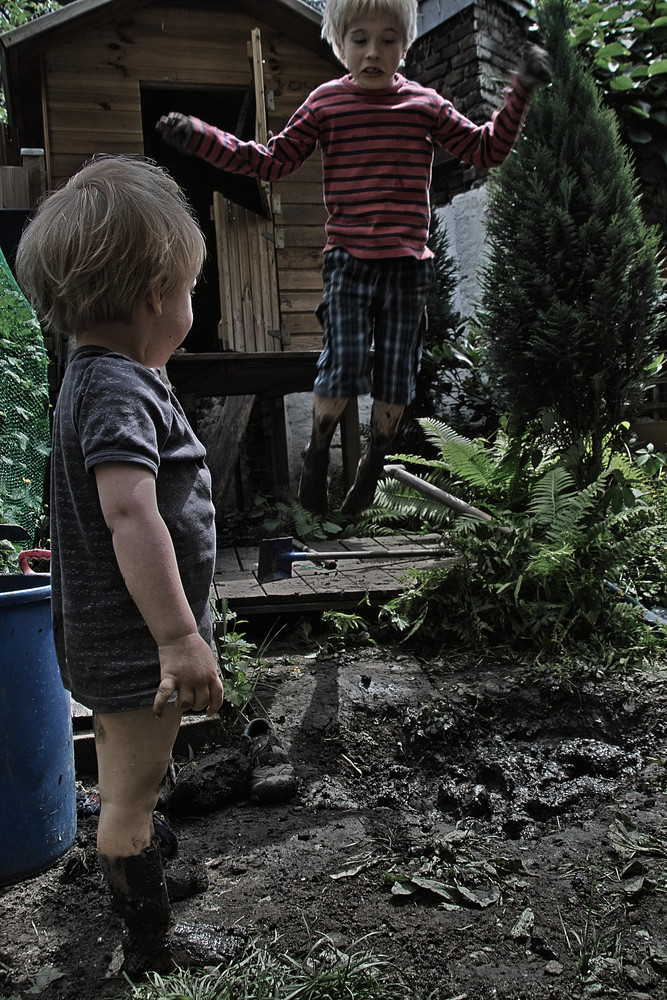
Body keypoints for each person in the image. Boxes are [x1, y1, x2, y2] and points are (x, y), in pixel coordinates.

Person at [156, 0, 551, 517]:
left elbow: (486, 150)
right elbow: (271, 162)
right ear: (340, 44)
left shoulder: (425, 105)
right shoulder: (325, 104)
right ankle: (318, 449)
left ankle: (373, 463)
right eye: (360, 39)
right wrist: (200, 137)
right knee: (340, 367)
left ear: (404, 44)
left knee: (395, 380)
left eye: (388, 39)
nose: (373, 52)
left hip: (408, 267)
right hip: (348, 262)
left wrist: (519, 90)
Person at [15, 155, 244, 975]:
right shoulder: (119, 389)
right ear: (157, 295)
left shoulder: (92, 373)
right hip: (136, 645)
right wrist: (180, 640)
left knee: (126, 774)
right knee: (128, 802)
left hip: (106, 638)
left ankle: (136, 862)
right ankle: (151, 943)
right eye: (189, 286)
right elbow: (128, 512)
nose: (191, 302)